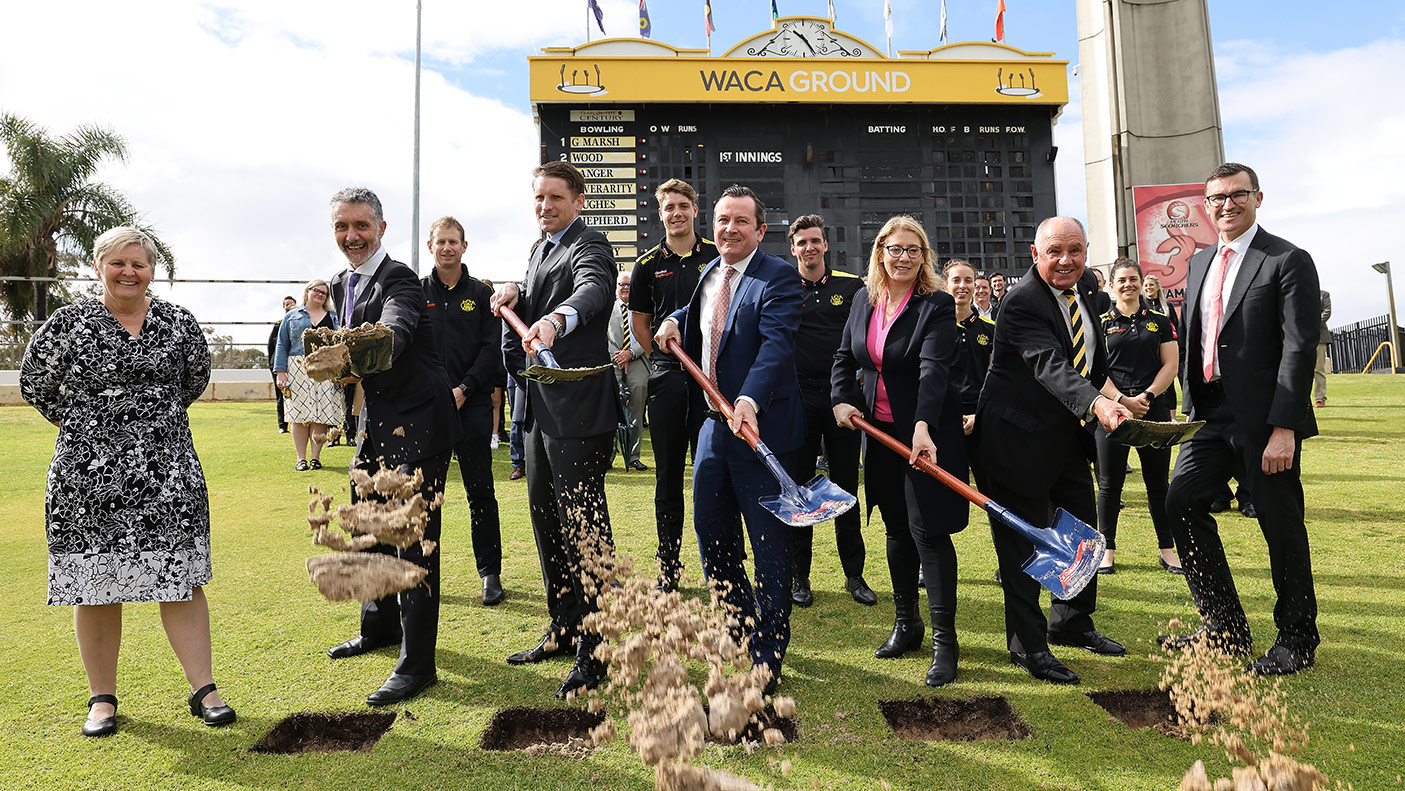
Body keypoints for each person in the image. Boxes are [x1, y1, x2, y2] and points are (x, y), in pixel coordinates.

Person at [20, 226, 235, 737]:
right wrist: (91, 426)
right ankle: (102, 699)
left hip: (168, 471)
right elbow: (36, 382)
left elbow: (192, 379)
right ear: (98, 267)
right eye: (118, 263)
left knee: (179, 579)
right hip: (87, 478)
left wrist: (146, 426)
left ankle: (204, 689)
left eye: (139, 263)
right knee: (95, 586)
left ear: (152, 269)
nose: (129, 272)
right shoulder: (68, 323)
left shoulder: (177, 322)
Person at [1161, 163, 1322, 676]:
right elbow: (1195, 335)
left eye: (1236, 195)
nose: (1225, 205)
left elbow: (1298, 348)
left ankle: (1297, 636)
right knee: (1180, 501)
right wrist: (1187, 404)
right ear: (1205, 206)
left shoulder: (1287, 259)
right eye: (1215, 198)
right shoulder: (1200, 260)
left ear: (1257, 197)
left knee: (1280, 525)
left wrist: (1284, 428)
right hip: (1208, 415)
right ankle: (1224, 630)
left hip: (1264, 421)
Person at [653, 184, 805, 695]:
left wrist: (749, 399)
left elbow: (776, 347)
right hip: (714, 430)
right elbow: (692, 317)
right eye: (722, 220)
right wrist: (673, 322)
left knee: (769, 547)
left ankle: (767, 654)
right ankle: (739, 628)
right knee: (712, 537)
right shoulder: (709, 273)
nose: (729, 229)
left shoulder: (778, 277)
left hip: (761, 429)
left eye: (741, 221)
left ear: (760, 230)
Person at [976, 216, 1133, 685]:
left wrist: (1120, 401)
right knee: (1026, 542)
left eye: (1075, 251)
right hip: (1013, 441)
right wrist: (1097, 404)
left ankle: (1071, 621)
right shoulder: (1022, 302)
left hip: (1065, 438)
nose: (1065, 261)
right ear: (1034, 253)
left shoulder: (1084, 290)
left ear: (1086, 252)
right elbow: (1050, 365)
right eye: (1054, 252)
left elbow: (1089, 360)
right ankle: (1028, 646)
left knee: (1082, 532)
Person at [323, 187, 461, 706]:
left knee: (412, 540)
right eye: (342, 227)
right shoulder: (340, 283)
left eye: (361, 226)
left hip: (420, 424)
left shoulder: (399, 278)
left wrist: (364, 347)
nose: (352, 237)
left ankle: (418, 664)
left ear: (381, 228)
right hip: (376, 423)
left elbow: (395, 330)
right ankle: (378, 626)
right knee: (367, 525)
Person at [491, 162, 617, 699]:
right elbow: (539, 293)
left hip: (580, 408)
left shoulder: (591, 244)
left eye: (556, 198)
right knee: (546, 519)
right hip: (539, 409)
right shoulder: (541, 248)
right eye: (539, 198)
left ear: (579, 200)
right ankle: (564, 626)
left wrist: (555, 320)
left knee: (584, 526)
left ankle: (599, 648)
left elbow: (590, 292)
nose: (545, 207)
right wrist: (514, 294)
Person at [831, 217, 969, 687]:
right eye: (896, 249)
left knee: (928, 532)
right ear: (880, 253)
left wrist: (923, 427)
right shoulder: (863, 300)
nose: (904, 257)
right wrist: (841, 398)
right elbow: (845, 358)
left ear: (924, 256)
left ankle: (945, 643)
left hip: (925, 437)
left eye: (914, 249)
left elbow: (933, 370)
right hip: (881, 436)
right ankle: (907, 624)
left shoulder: (937, 304)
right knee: (895, 528)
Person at [629, 179, 717, 590]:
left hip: (712, 381)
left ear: (695, 210)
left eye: (684, 205)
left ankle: (718, 560)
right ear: (660, 213)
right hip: (667, 380)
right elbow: (640, 324)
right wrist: (663, 357)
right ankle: (669, 564)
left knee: (712, 474)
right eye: (669, 207)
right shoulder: (647, 265)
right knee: (668, 477)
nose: (677, 213)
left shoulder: (718, 257)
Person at [785, 213, 872, 608]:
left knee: (845, 489)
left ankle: (854, 576)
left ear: (825, 245)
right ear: (793, 248)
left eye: (815, 240)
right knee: (800, 489)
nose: (809, 248)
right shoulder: (782, 286)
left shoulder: (852, 288)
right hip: (798, 399)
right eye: (802, 242)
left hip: (842, 398)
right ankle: (799, 576)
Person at [421, 215, 506, 607]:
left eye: (454, 241)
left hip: (470, 406)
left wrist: (464, 388)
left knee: (480, 493)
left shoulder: (481, 293)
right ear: (431, 247)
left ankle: (490, 573)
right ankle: (421, 576)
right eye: (441, 242)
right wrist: (439, 393)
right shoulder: (416, 292)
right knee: (424, 496)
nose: (448, 248)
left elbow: (491, 352)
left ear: (464, 246)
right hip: (428, 411)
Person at [1094, 259, 1182, 575]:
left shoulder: (1159, 320)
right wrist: (1120, 400)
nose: (1128, 284)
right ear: (1112, 285)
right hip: (1111, 409)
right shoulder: (1100, 322)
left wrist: (1145, 397)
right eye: (1122, 280)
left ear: (1141, 282)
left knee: (1158, 483)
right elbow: (1094, 371)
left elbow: (1170, 365)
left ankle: (1168, 550)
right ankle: (1106, 551)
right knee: (1109, 484)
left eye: (1133, 279)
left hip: (1152, 407)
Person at [273, 280, 343, 471]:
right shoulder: (292, 317)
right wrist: (280, 373)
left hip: (325, 369)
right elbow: (282, 344)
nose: (321, 295)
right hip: (297, 367)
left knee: (320, 415)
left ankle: (315, 458)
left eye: (324, 293)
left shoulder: (335, 317)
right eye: (317, 291)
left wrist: (341, 372)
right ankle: (301, 459)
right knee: (298, 415)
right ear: (307, 291)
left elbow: (342, 346)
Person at [608, 270, 650, 471]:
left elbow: (650, 333)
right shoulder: (607, 308)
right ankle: (609, 455)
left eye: (629, 284)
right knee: (609, 410)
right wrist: (617, 355)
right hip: (611, 362)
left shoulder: (644, 308)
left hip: (638, 361)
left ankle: (633, 457)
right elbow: (602, 337)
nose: (625, 288)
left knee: (636, 410)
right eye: (621, 284)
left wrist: (631, 353)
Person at [269, 295, 296, 433]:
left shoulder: (300, 322)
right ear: (283, 307)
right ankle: (282, 425)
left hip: (296, 364)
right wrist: (273, 365)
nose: (289, 306)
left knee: (295, 395)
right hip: (279, 366)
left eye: (292, 304)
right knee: (281, 396)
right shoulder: (278, 324)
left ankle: (295, 424)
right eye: (287, 304)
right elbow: (272, 346)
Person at [1314, 289, 1332, 408]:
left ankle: (1320, 398)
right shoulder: (1298, 293)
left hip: (1319, 336)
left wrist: (1312, 323)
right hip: (1299, 336)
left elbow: (1327, 312)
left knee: (1318, 368)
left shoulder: (1324, 294)